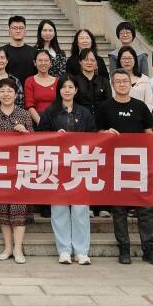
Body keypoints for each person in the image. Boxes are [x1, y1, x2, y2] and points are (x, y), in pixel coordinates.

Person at [97, 69, 153, 265]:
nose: (122, 84)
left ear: (130, 84)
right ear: (112, 85)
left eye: (125, 81)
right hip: (116, 165)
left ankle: (148, 249)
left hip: (140, 164)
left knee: (145, 209)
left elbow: (150, 133)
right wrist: (105, 133)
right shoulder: (105, 107)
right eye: (117, 81)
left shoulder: (140, 106)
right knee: (119, 209)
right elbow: (96, 133)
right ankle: (124, 248)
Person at [38, 75, 94, 264]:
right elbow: (40, 136)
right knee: (59, 209)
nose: (67, 90)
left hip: (80, 166)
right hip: (57, 166)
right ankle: (63, 249)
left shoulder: (85, 112)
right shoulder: (50, 112)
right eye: (64, 87)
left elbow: (93, 137)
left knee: (80, 210)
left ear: (76, 90)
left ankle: (81, 251)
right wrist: (54, 136)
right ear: (59, 90)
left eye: (71, 87)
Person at [0, 77, 34, 263]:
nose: (6, 94)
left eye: (10, 91)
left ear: (16, 94)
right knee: (2, 208)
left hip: (20, 167)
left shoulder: (24, 114)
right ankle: (7, 247)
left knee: (19, 208)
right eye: (2, 91)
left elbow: (35, 141)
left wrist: (25, 133)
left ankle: (18, 249)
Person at [23, 49, 58, 128]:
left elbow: (60, 104)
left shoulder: (57, 81)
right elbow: (29, 105)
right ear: (35, 63)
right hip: (36, 120)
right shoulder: (29, 81)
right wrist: (41, 123)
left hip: (55, 120)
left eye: (46, 60)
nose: (43, 63)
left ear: (50, 63)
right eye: (40, 60)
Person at [69, 48, 110, 114]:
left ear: (96, 62)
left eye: (92, 60)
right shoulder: (74, 81)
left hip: (101, 117)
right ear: (80, 62)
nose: (89, 63)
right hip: (80, 117)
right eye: (86, 60)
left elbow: (109, 102)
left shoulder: (104, 81)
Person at [117, 46, 153, 111]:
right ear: (119, 60)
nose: (127, 61)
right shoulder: (114, 80)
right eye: (124, 58)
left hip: (141, 115)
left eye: (129, 58)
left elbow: (149, 103)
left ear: (135, 60)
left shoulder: (144, 79)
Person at [2, 15, 36, 85]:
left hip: (29, 89)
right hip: (9, 90)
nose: (18, 31)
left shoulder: (34, 52)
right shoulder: (2, 52)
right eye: (14, 28)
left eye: (21, 28)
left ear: (25, 31)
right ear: (9, 31)